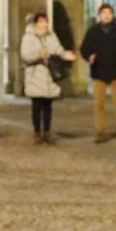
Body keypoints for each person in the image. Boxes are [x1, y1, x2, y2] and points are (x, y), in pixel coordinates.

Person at [79, 2, 116, 144]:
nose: (106, 16)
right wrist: (89, 56)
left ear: (112, 15)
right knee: (99, 104)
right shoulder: (92, 32)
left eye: (109, 13)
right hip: (98, 72)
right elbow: (84, 48)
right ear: (99, 15)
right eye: (104, 13)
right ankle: (100, 132)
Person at [19, 10, 74, 144]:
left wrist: (65, 54)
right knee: (37, 105)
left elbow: (57, 49)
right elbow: (25, 55)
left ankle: (47, 132)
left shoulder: (51, 36)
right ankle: (37, 132)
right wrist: (39, 54)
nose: (43, 24)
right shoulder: (28, 37)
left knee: (48, 106)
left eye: (45, 21)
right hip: (35, 76)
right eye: (41, 22)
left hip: (48, 76)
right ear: (35, 23)